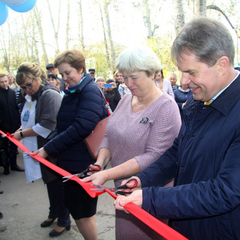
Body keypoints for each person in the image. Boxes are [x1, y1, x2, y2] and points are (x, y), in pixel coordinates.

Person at [114, 17, 240, 240]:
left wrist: (151, 198)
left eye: (191, 72)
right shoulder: (196, 101)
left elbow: (225, 191)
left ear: (221, 64)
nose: (183, 82)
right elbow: (177, 153)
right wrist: (143, 179)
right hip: (185, 224)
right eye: (181, 71)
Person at [83, 46, 181, 240]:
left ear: (152, 73)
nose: (128, 83)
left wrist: (107, 173)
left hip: (149, 192)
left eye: (134, 77)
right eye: (124, 77)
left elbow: (153, 156)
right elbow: (110, 135)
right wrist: (99, 164)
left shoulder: (166, 108)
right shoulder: (126, 100)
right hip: (123, 187)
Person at [34, 49, 108, 240]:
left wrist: (49, 148)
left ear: (81, 69)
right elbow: (64, 124)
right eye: (62, 74)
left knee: (83, 214)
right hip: (72, 160)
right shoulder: (73, 91)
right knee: (78, 212)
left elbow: (82, 127)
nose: (64, 78)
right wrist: (48, 146)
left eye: (68, 73)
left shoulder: (89, 90)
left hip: (83, 162)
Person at [12, 63, 70, 237]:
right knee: (49, 183)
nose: (26, 90)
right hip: (42, 147)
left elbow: (47, 125)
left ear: (39, 78)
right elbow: (29, 119)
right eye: (23, 87)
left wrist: (21, 134)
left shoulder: (49, 94)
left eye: (29, 85)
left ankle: (64, 219)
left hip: (53, 147)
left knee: (58, 185)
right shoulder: (34, 95)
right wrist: (20, 130)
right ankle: (54, 213)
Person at [0, 74, 24, 175]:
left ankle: (13, 164)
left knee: (14, 146)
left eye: (5, 81)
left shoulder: (12, 93)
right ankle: (6, 166)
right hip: (2, 125)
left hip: (13, 124)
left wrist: (18, 123)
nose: (4, 83)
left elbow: (15, 107)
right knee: (4, 147)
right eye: (2, 82)